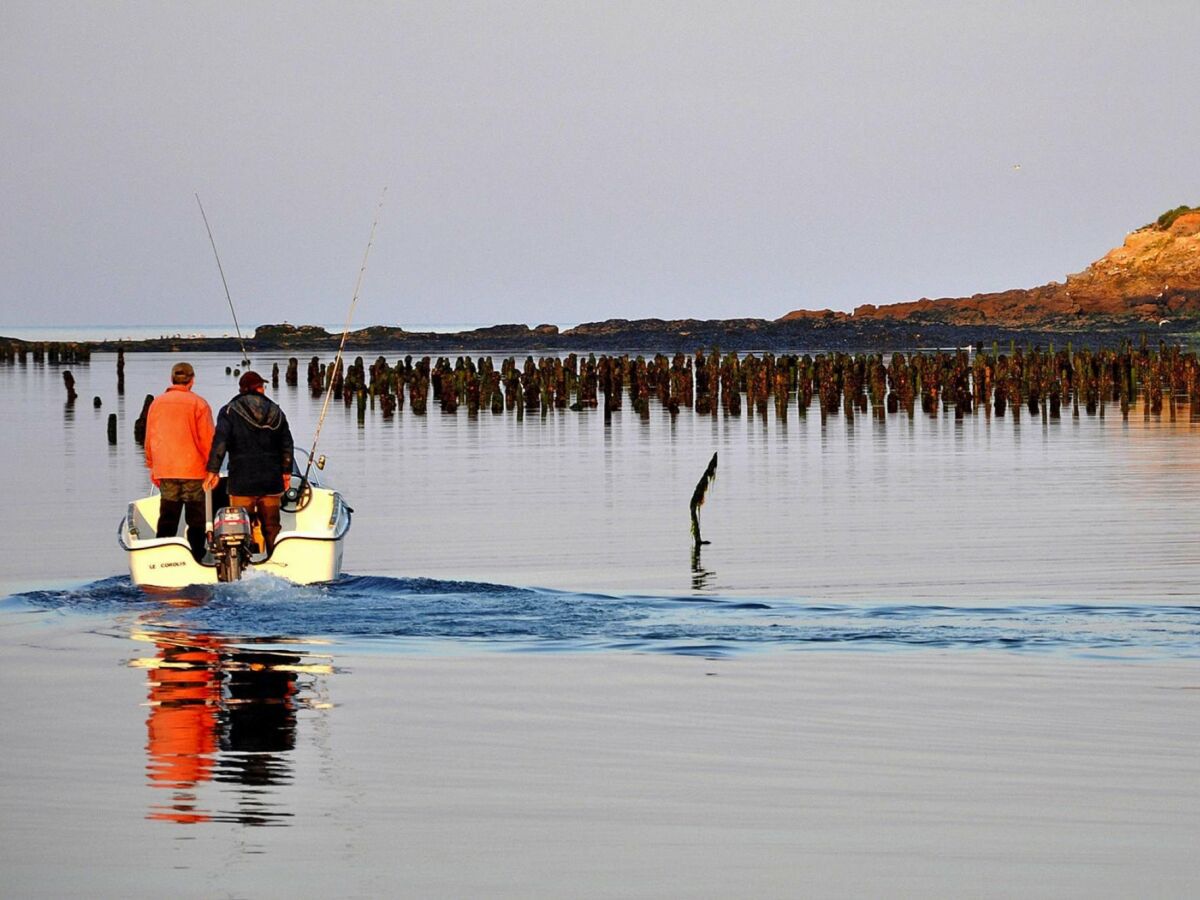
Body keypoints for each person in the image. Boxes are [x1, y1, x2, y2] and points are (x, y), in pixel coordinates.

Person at [204, 371, 294, 555]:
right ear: (258, 388)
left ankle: (242, 565)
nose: (263, 389)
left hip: (241, 480)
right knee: (272, 527)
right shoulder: (276, 411)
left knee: (239, 528)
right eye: (262, 386)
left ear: (242, 389)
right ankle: (275, 560)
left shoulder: (229, 410)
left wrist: (213, 471)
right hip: (271, 480)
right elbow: (287, 444)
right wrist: (286, 472)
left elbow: (220, 443)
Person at [144, 361, 215, 562]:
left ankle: (161, 557)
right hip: (193, 470)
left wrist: (152, 466)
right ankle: (196, 557)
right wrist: (213, 469)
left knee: (168, 515)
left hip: (165, 469)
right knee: (196, 518)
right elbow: (208, 440)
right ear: (192, 381)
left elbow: (149, 438)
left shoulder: (156, 403)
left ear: (171, 379)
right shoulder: (199, 404)